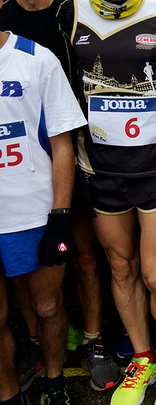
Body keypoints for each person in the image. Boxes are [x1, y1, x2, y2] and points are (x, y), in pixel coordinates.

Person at [55, 0, 156, 405]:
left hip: (155, 171)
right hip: (102, 172)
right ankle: (142, 357)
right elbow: (65, 95)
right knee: (121, 270)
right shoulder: (67, 14)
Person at [0, 0, 124, 394]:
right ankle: (36, 341)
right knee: (28, 271)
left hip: (92, 154)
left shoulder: (83, 9)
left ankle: (94, 340)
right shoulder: (3, 21)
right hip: (32, 168)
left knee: (88, 256)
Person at [0, 28, 86, 405]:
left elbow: (62, 141)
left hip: (32, 213)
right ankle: (9, 396)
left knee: (48, 306)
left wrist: (61, 214)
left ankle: (54, 382)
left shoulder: (36, 58)